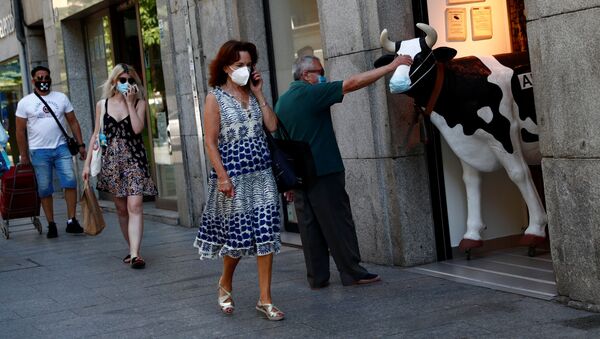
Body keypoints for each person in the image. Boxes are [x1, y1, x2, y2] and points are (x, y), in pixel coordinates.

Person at [275, 54, 413, 288]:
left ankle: (317, 277)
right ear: (306, 75)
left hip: (299, 176)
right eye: (320, 72)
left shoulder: (282, 102)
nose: (323, 76)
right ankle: (352, 272)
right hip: (323, 171)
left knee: (310, 228)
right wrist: (390, 66)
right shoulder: (310, 93)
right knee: (338, 222)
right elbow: (352, 83)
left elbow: (280, 142)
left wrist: (289, 183)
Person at [193, 40, 284, 321]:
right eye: (239, 65)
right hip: (233, 177)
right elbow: (210, 142)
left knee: (266, 232)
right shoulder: (214, 97)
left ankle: (265, 299)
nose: (245, 69)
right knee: (237, 238)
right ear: (225, 68)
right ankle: (225, 282)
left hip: (262, 174)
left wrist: (259, 94)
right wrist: (222, 177)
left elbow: (272, 126)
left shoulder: (254, 94)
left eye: (248, 65)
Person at [82, 63, 157, 269]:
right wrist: (87, 165)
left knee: (135, 206)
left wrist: (130, 103)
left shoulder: (140, 103)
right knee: (122, 209)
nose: (126, 84)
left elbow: (137, 129)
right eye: (122, 80)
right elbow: (96, 135)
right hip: (111, 163)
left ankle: (135, 254)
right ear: (114, 81)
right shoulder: (102, 105)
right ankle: (131, 249)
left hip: (134, 161)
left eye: (131, 80)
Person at [16, 65, 86, 238]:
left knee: (70, 182)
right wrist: (24, 155)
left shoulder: (61, 98)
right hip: (38, 151)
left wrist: (81, 145)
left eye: (46, 77)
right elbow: (19, 131)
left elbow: (73, 122)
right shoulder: (25, 102)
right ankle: (51, 224)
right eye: (39, 78)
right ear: (33, 81)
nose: (43, 81)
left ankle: (71, 221)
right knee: (45, 188)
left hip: (61, 147)